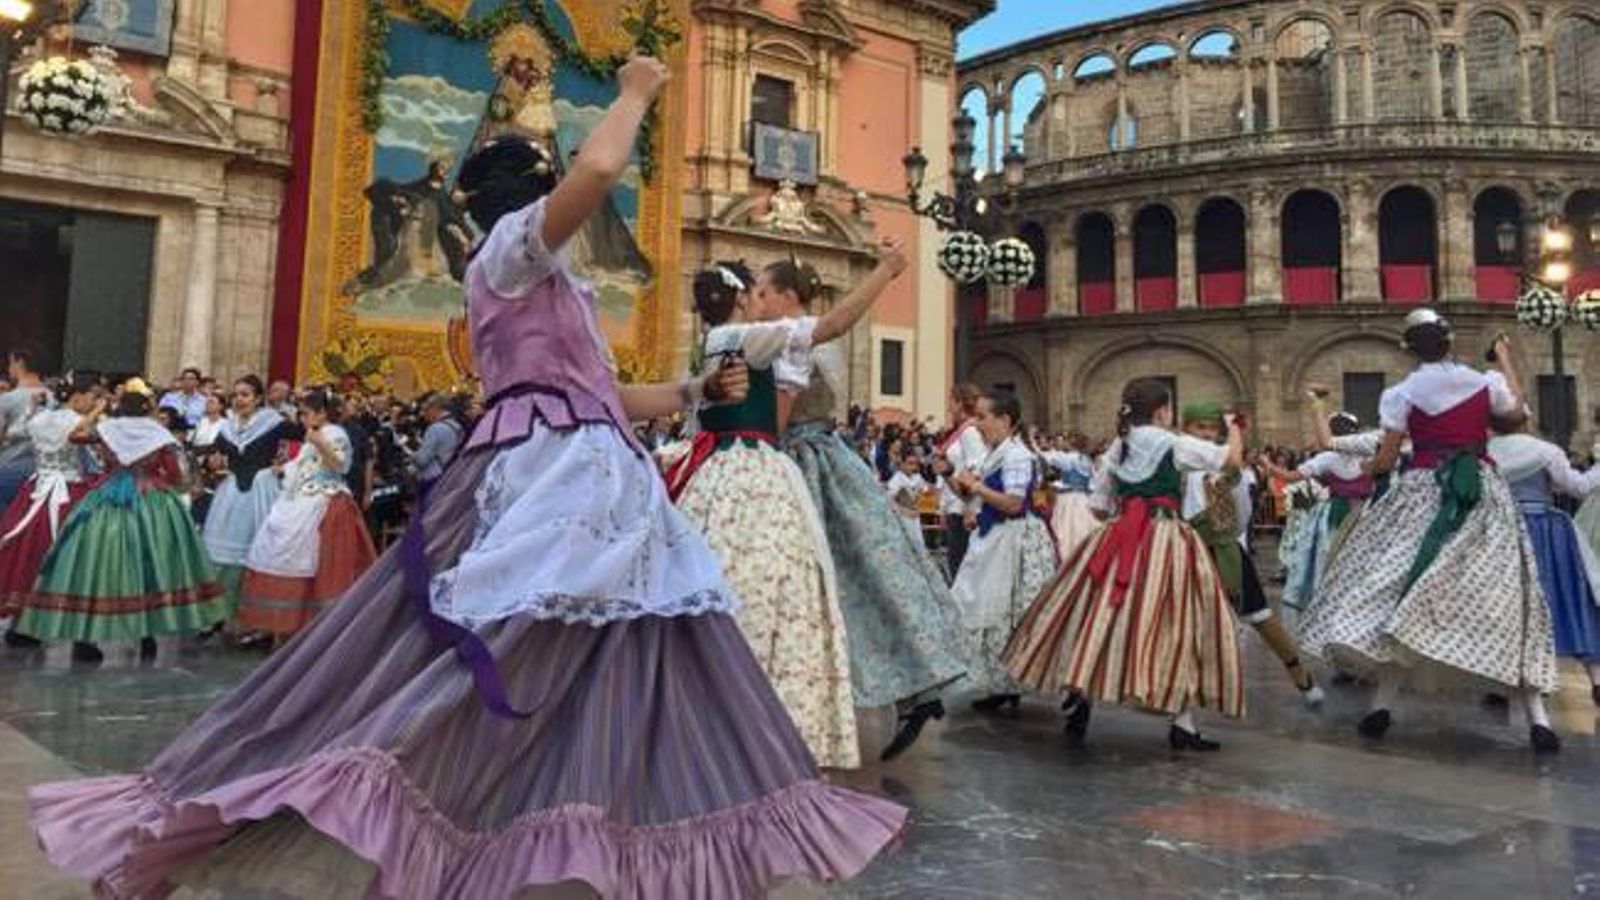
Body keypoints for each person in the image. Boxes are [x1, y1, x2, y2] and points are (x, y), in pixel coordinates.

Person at [28, 57, 905, 898]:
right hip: (549, 475)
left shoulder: (548, 283)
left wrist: (690, 391)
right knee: (504, 642)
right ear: (523, 197)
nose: (567, 201)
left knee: (592, 650)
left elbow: (604, 394)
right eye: (549, 185)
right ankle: (459, 800)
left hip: (591, 467)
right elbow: (602, 169)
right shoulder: (508, 254)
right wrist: (636, 92)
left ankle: (559, 816)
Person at [669, 249, 904, 769]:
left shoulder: (708, 343)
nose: (761, 302)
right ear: (739, 301)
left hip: (713, 472)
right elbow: (834, 324)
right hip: (754, 471)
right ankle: (764, 714)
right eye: (755, 294)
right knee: (774, 586)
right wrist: (884, 272)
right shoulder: (747, 337)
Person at [1298, 311, 1559, 753]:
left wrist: (1368, 468)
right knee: (1505, 595)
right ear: (1449, 341)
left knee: (1404, 591)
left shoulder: (1401, 393)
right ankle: (1538, 718)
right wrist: (1503, 359)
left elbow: (1386, 457)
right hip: (1480, 493)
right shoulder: (1483, 383)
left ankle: (1381, 707)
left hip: (1422, 493)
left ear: (1408, 349)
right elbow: (1517, 413)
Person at [760, 254, 971, 762]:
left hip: (804, 463)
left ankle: (899, 688)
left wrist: (885, 271)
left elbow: (836, 324)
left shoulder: (792, 335)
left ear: (788, 296)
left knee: (832, 581)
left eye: (763, 292)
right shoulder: (786, 338)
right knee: (860, 580)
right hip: (824, 461)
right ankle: (908, 688)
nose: (757, 301)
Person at [1005, 378, 1245, 751]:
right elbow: (1231, 461)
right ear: (1163, 411)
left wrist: (1129, 510)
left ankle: (1081, 694)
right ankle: (1182, 723)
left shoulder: (1118, 446)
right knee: (1178, 623)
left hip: (1119, 538)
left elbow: (1098, 507)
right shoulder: (1174, 443)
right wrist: (1235, 428)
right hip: (1166, 536)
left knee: (1097, 616)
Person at [12, 381, 224, 668]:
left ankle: (85, 638)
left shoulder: (108, 429)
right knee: (152, 564)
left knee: (95, 563)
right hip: (151, 500)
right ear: (147, 410)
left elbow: (75, 436)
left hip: (107, 496)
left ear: (121, 408)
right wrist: (164, 481)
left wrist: (97, 420)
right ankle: (147, 635)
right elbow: (176, 474)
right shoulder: (158, 434)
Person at [1180, 400, 1323, 707]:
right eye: (1199, 427)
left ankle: (1299, 673)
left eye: (1211, 428)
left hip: (1223, 550)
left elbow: (1243, 511)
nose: (1206, 434)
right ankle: (1184, 697)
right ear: (1185, 428)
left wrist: (1228, 538)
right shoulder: (1176, 460)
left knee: (1260, 616)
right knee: (1184, 622)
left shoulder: (1227, 464)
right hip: (1184, 550)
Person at [237, 390, 378, 643]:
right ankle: (291, 623)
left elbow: (340, 466)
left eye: (306, 413)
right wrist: (284, 468)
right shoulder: (313, 433)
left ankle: (322, 626)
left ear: (322, 413)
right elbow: (305, 464)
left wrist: (320, 443)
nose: (302, 419)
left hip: (326, 501)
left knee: (323, 562)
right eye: (301, 414)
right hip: (302, 497)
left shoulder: (335, 433)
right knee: (283, 545)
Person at [949, 389, 1059, 714]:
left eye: (983, 417)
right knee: (984, 605)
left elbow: (1013, 503)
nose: (977, 423)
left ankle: (1011, 680)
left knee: (1010, 610)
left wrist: (977, 488)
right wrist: (952, 478)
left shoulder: (1017, 455)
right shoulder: (995, 453)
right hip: (995, 536)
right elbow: (977, 494)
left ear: (1005, 420)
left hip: (1015, 539)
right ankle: (1000, 682)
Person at [1487, 421, 1600, 706]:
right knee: (1570, 600)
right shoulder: (1545, 450)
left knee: (1511, 606)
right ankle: (1597, 679)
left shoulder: (1486, 452)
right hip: (1546, 532)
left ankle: (1507, 681)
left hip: (1504, 531)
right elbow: (1579, 487)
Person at [1266, 398, 1375, 629]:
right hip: (1367, 513)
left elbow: (1289, 477)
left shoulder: (1328, 458)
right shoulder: (1369, 453)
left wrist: (1267, 464)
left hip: (1337, 514)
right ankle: (1359, 608)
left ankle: (1329, 606)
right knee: (1362, 560)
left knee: (1329, 559)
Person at [0, 376, 101, 625]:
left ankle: (24, 608)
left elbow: (12, 433)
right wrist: (98, 411)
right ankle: (53, 607)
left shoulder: (39, 419)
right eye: (91, 396)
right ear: (77, 396)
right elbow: (80, 434)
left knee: (28, 545)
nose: (93, 401)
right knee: (68, 547)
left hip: (37, 488)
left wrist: (32, 408)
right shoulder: (76, 421)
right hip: (68, 489)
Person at [202, 375, 289, 623]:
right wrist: (212, 463)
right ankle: (221, 612)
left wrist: (285, 465)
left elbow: (304, 445)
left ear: (258, 398)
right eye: (236, 395)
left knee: (258, 550)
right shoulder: (227, 427)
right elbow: (213, 455)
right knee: (225, 554)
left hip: (262, 490)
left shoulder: (275, 423)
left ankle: (255, 616)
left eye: (245, 395)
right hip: (231, 493)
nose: (239, 400)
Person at [937, 383, 986, 575]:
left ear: (959, 403)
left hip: (963, 508)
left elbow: (976, 469)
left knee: (960, 570)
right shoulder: (963, 431)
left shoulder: (969, 432)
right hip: (955, 503)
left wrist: (969, 508)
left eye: (951, 400)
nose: (948, 406)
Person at [0, 348, 52, 507]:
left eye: (10, 363)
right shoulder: (54, 398)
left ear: (19, 362)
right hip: (45, 472)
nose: (9, 368)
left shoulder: (7, 399)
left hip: (8, 469)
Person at [1042, 432, 1099, 561]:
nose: (1065, 443)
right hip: (1083, 499)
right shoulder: (1087, 461)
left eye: (1067, 441)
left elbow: (1048, 459)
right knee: (1081, 530)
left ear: (1072, 444)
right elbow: (1092, 485)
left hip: (1068, 499)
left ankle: (1066, 558)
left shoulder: (1068, 458)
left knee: (1065, 531)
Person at [410, 393, 462, 486]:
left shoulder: (435, 428)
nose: (423, 414)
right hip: (454, 473)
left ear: (435, 408)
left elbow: (422, 460)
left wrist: (412, 455)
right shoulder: (456, 424)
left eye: (426, 410)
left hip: (436, 479)